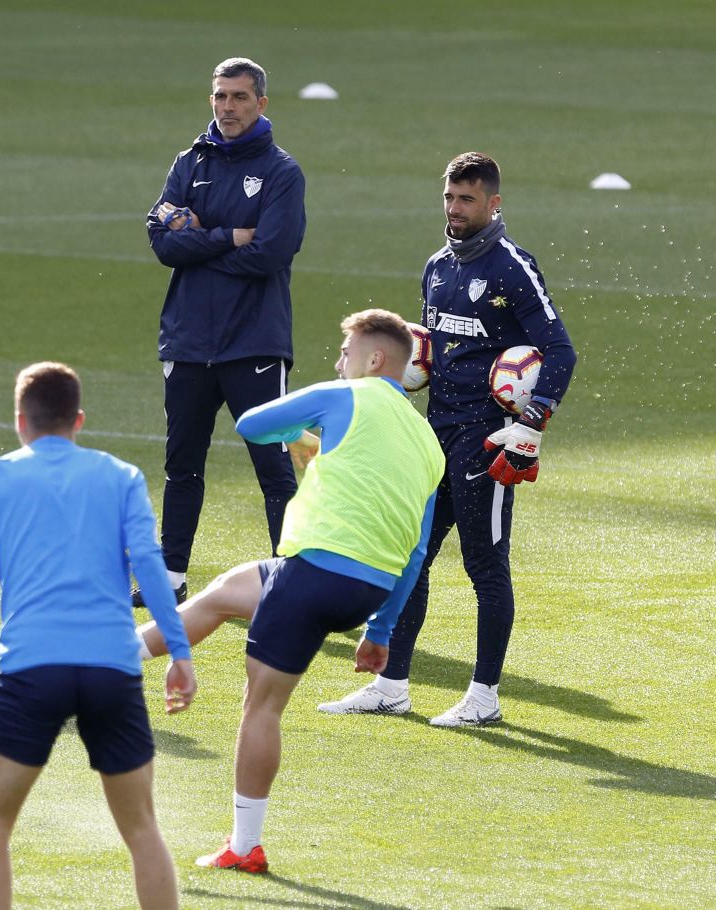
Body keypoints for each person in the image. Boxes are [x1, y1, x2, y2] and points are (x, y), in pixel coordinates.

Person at [136, 310, 443, 873]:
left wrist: (308, 433)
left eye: (345, 353)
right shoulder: (429, 444)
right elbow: (418, 553)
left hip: (314, 575)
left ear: (374, 360)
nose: (337, 362)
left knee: (262, 709)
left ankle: (245, 846)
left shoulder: (346, 397)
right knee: (225, 592)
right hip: (363, 589)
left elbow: (252, 423)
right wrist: (380, 632)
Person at [0, 362, 197, 910]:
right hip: (112, 672)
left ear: (20, 421)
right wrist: (180, 652)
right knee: (142, 829)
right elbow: (149, 564)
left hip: (29, 672)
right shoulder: (121, 477)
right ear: (79, 420)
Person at [319, 152, 576, 727]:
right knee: (412, 554)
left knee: (486, 565)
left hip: (488, 439)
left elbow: (560, 350)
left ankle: (484, 696)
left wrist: (529, 424)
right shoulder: (437, 265)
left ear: (493, 203)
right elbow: (437, 345)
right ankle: (391, 685)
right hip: (434, 434)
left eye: (466, 200)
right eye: (449, 198)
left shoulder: (513, 268)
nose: (455, 210)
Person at [141, 56, 305, 609]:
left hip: (254, 342)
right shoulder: (190, 161)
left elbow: (271, 253)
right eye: (219, 96)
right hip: (188, 340)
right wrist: (229, 236)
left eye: (238, 97)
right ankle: (170, 578)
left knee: (273, 466)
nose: (227, 107)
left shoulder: (282, 172)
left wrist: (201, 242)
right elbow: (162, 242)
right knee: (181, 463)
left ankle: (292, 580)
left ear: (262, 102)